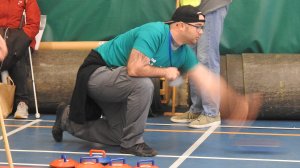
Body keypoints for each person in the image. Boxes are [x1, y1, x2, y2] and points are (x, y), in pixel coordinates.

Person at [52, 5, 257, 157]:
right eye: (197, 27)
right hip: (98, 72)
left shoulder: (184, 53)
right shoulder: (154, 32)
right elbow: (133, 69)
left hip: (119, 83)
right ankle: (133, 143)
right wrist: (164, 71)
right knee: (143, 83)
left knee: (118, 134)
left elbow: (207, 80)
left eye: (203, 28)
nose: (201, 32)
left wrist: (237, 103)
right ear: (179, 25)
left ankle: (66, 119)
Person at [171, 0, 232, 128]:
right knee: (193, 60)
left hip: (210, 6)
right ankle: (197, 110)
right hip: (193, 8)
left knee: (206, 58)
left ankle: (211, 113)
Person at [0, 0, 41, 119]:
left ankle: (22, 103)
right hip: (1, 39)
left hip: (21, 38)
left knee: (18, 56)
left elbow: (34, 24)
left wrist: (18, 42)